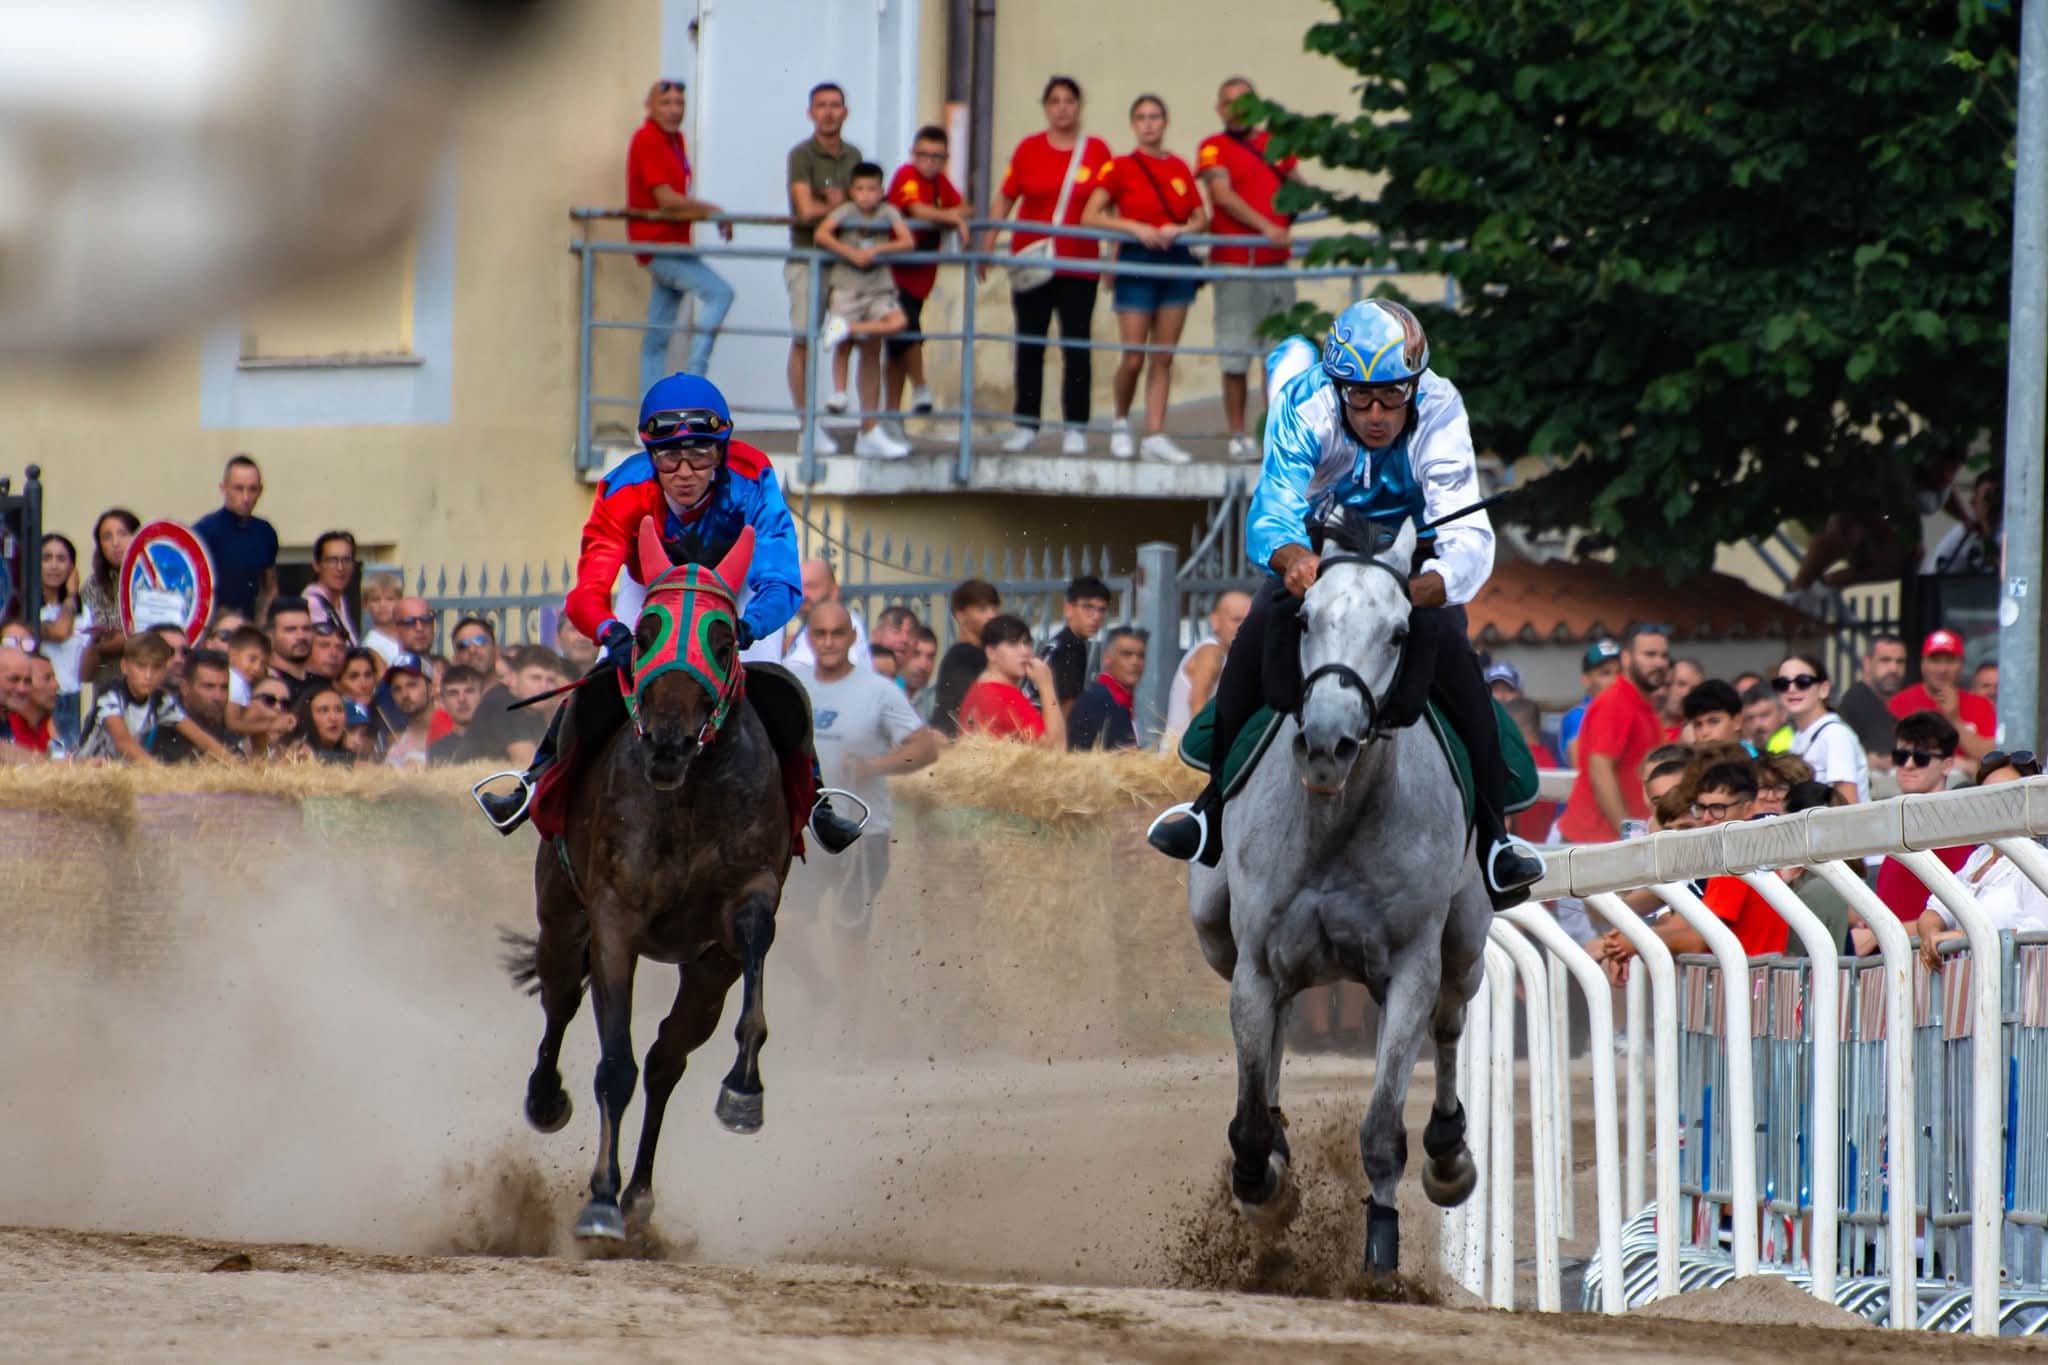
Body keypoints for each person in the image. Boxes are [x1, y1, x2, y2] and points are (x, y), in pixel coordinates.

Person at [1145, 299, 1545, 907]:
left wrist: (1414, 591)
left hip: (1411, 560)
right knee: (1256, 633)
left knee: (1456, 657)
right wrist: (1294, 560)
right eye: (1360, 398)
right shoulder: (1306, 401)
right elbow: (1272, 509)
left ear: (1414, 385)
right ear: (1337, 387)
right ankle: (1209, 809)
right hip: (1317, 555)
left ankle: (1494, 840)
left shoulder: (1440, 406)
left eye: (1391, 397)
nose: (1378, 414)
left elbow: (1467, 540)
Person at [474, 373, 863, 855]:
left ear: (722, 449)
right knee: (603, 676)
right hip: (653, 586)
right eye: (667, 456)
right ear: (649, 454)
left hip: (733, 593)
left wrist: (748, 626)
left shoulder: (753, 475)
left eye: (700, 453)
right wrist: (609, 631)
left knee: (771, 678)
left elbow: (781, 580)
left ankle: (816, 801)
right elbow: (587, 590)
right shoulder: (623, 488)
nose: (684, 471)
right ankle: (533, 782)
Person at [980, 76, 1115, 455]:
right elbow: (1004, 199)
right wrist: (988, 245)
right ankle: (1025, 424)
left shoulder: (1096, 151)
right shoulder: (1028, 150)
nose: (1061, 108)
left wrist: (1113, 257)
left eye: (1069, 101)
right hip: (1033, 262)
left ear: (1079, 106)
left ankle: (1075, 427)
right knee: (1029, 343)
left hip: (1080, 262)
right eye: (1054, 101)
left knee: (1076, 344)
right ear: (1045, 107)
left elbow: (1112, 205)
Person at [789, 601, 940, 934]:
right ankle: (818, 986)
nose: (828, 642)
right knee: (788, 926)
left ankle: (849, 986)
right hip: (807, 832)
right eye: (820, 634)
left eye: (838, 633)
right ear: (809, 639)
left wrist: (873, 766)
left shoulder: (878, 691)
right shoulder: (794, 684)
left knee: (849, 932)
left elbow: (926, 748)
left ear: (853, 637)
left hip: (862, 834)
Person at [1082, 94, 1206, 465]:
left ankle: (1155, 433)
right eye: (1142, 117)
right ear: (1133, 124)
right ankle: (1121, 421)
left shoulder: (1180, 167)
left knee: (1163, 356)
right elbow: (1091, 215)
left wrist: (1178, 229)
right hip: (1136, 260)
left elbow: (1201, 219)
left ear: (1165, 122)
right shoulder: (1120, 166)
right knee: (1134, 356)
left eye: (1155, 117)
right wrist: (1134, 228)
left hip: (1175, 260)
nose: (1149, 124)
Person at [1199, 77, 1303, 462]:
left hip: (1276, 267)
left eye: (1244, 102)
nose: (1236, 109)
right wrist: (1268, 228)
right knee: (1235, 355)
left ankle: (1275, 435)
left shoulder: (1275, 145)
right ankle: (1239, 434)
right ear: (1219, 108)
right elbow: (1222, 195)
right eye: (1229, 102)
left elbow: (1299, 188)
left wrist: (1287, 219)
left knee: (1281, 358)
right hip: (1235, 267)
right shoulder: (1212, 147)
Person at [628, 77, 734, 396]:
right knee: (720, 294)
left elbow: (677, 197)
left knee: (657, 337)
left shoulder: (675, 141)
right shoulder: (647, 139)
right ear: (650, 107)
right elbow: (667, 199)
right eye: (666, 103)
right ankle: (693, 383)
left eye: (680, 104)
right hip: (658, 244)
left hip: (673, 244)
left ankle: (649, 417)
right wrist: (714, 211)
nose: (675, 110)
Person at [813, 163, 916, 459]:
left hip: (878, 290)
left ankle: (870, 431)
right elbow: (822, 234)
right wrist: (851, 254)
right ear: (851, 191)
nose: (865, 195)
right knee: (843, 347)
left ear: (881, 191)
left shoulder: (888, 213)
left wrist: (877, 252)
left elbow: (907, 240)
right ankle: (840, 391)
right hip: (847, 287)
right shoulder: (845, 211)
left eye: (872, 189)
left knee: (894, 325)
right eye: (859, 189)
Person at [1916, 751, 2048, 971]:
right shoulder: (1978, 858)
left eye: (2004, 797)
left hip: (2014, 999)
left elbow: (2039, 932)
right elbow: (1935, 909)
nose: (1991, 807)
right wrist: (1932, 935)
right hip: (1969, 991)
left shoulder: (2040, 862)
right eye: (1984, 798)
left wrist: (1962, 937)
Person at [786, 82, 863, 454]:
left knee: (854, 334)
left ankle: (868, 426)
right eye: (821, 105)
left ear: (845, 112)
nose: (829, 112)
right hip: (808, 258)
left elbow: (866, 207)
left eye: (835, 105)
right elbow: (806, 211)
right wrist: (841, 204)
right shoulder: (801, 155)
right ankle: (807, 427)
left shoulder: (855, 156)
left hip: (845, 262)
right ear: (810, 113)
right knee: (804, 338)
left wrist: (837, 203)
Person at [884, 126, 968, 434]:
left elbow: (965, 205)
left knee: (897, 346)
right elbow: (916, 208)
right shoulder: (907, 176)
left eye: (937, 157)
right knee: (905, 329)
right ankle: (920, 388)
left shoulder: (940, 184)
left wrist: (953, 214)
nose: (929, 162)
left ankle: (891, 417)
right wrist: (952, 218)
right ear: (913, 155)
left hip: (920, 276)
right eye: (923, 155)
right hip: (894, 273)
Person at [1861, 711, 1973, 938]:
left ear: (1947, 765)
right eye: (1901, 756)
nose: (1909, 765)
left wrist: (1881, 935)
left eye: (1921, 758)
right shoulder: (1900, 824)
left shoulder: (1956, 830)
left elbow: (1967, 911)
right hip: (1892, 959)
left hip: (1933, 960)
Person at [76, 629, 230, 764]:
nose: (148, 676)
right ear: (124, 666)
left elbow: (201, 737)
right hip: (89, 769)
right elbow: (123, 742)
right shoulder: (111, 696)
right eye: (141, 666)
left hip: (123, 773)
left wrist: (236, 765)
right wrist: (159, 773)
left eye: (156, 667)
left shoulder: (161, 700)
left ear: (164, 670)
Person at [1889, 629, 1995, 765]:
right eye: (1935, 661)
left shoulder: (1981, 704)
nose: (1942, 669)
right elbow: (1891, 757)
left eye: (1950, 661)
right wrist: (1953, 763)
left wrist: (1954, 719)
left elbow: (1990, 755)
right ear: (1923, 664)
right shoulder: (1900, 702)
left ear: (1961, 665)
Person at [192, 454, 278, 620]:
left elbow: (270, 588)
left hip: (250, 630)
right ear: (223, 488)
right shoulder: (204, 532)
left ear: (260, 491)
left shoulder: (265, 532)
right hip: (212, 630)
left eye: (252, 489)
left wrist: (262, 627)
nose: (246, 498)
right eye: (239, 488)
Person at [958, 614, 1066, 747]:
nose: (1025, 651)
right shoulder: (1005, 696)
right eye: (1013, 644)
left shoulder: (977, 689)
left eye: (1027, 643)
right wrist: (1046, 685)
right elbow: (1057, 749)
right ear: (991, 653)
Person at [1774, 652, 1867, 803]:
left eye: (1802, 682)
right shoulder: (1798, 738)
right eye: (1782, 684)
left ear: (1824, 689)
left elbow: (1847, 804)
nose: (1791, 689)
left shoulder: (1835, 735)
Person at [1164, 590, 1251, 738]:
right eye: (1236, 619)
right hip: (1186, 756)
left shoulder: (1229, 656)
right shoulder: (1211, 652)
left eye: (1249, 620)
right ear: (1215, 621)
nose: (1243, 626)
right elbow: (1198, 709)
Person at [77, 507, 140, 693]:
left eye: (123, 534)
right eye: (107, 537)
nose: (115, 543)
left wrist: (120, 638)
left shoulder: (154, 581)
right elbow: (87, 639)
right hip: (108, 682)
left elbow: (154, 637)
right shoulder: (92, 586)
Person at [930, 579, 1001, 737]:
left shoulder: (981, 654)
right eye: (982, 609)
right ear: (960, 615)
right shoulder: (962, 657)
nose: (991, 615)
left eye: (994, 608)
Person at [36, 532, 85, 750]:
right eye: (46, 558)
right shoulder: (28, 610)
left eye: (61, 559)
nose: (54, 566)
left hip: (71, 698)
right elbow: (60, 631)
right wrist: (71, 595)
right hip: (40, 698)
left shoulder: (84, 613)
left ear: (72, 567)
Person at [1038, 574, 1112, 718]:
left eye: (1101, 610)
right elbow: (1067, 707)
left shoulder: (1059, 641)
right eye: (1088, 607)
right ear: (1068, 609)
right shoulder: (1071, 647)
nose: (1096, 616)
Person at [780, 558, 870, 671]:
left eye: (811, 586)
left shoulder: (843, 627)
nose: (803, 595)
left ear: (833, 592)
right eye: (799, 587)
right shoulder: (809, 626)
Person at [1068, 625, 1146, 751]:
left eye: (1141, 655)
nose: (1135, 661)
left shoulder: (1106, 695)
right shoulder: (1104, 700)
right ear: (1107, 658)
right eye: (1126, 654)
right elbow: (1129, 763)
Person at [1836, 634, 1907, 766]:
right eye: (1885, 660)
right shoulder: (1855, 703)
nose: (1894, 669)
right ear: (1867, 663)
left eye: (1900, 662)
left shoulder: (1906, 701)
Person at [1559, 639, 1621, 766]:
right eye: (1605, 673)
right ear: (1586, 680)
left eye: (1620, 672)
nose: (1616, 680)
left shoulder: (1629, 714)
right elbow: (1581, 770)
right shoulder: (1578, 717)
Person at [304, 530, 360, 645]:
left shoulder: (340, 600)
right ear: (316, 565)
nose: (340, 567)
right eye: (332, 560)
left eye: (346, 560)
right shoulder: (312, 604)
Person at [426, 664, 489, 765]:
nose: (461, 699)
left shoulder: (503, 742)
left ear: (483, 696)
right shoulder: (437, 750)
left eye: (469, 691)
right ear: (442, 701)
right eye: (453, 693)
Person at [265, 597, 318, 706]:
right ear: (270, 636)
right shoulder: (264, 685)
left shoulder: (321, 684)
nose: (301, 636)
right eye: (291, 629)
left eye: (306, 629)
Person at [289, 684, 354, 765]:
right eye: (323, 710)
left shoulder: (352, 754)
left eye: (339, 710)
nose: (333, 718)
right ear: (307, 717)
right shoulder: (294, 752)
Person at [1681, 678, 1745, 747]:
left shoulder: (1755, 756)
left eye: (1713, 722)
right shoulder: (1689, 757)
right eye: (1698, 725)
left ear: (1737, 722)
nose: (1704, 732)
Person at [361, 572, 405, 666]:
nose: (383, 605)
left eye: (390, 599)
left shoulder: (406, 635)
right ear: (366, 605)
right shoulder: (372, 645)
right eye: (376, 600)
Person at [1740, 681, 1791, 754]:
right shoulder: (1747, 750)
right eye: (1750, 718)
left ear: (1783, 714)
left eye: (1764, 715)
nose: (1757, 724)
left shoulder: (1792, 748)